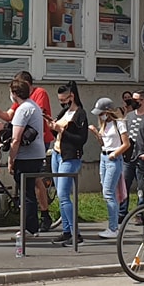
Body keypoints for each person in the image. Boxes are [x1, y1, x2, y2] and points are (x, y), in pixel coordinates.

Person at [45, 84, 89, 246]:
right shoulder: (64, 112)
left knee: (64, 195)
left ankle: (76, 233)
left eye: (64, 99)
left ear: (72, 97)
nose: (62, 103)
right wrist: (52, 127)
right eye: (60, 100)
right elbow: (56, 133)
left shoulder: (80, 114)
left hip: (70, 157)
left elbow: (81, 139)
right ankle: (66, 231)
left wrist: (62, 130)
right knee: (60, 194)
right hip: (57, 154)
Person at [6, 77, 48, 241]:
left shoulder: (22, 110)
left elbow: (16, 139)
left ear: (15, 93)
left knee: (26, 192)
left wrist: (11, 159)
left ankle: (28, 228)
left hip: (26, 156)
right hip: (37, 154)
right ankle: (32, 226)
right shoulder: (34, 106)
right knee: (29, 190)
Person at [94, 97, 129, 239]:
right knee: (108, 191)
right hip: (104, 156)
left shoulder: (119, 123)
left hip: (113, 158)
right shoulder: (104, 124)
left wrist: (115, 153)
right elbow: (104, 142)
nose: (100, 115)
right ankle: (113, 226)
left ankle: (113, 228)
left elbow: (126, 144)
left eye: (102, 113)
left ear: (108, 111)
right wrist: (96, 133)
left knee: (108, 193)